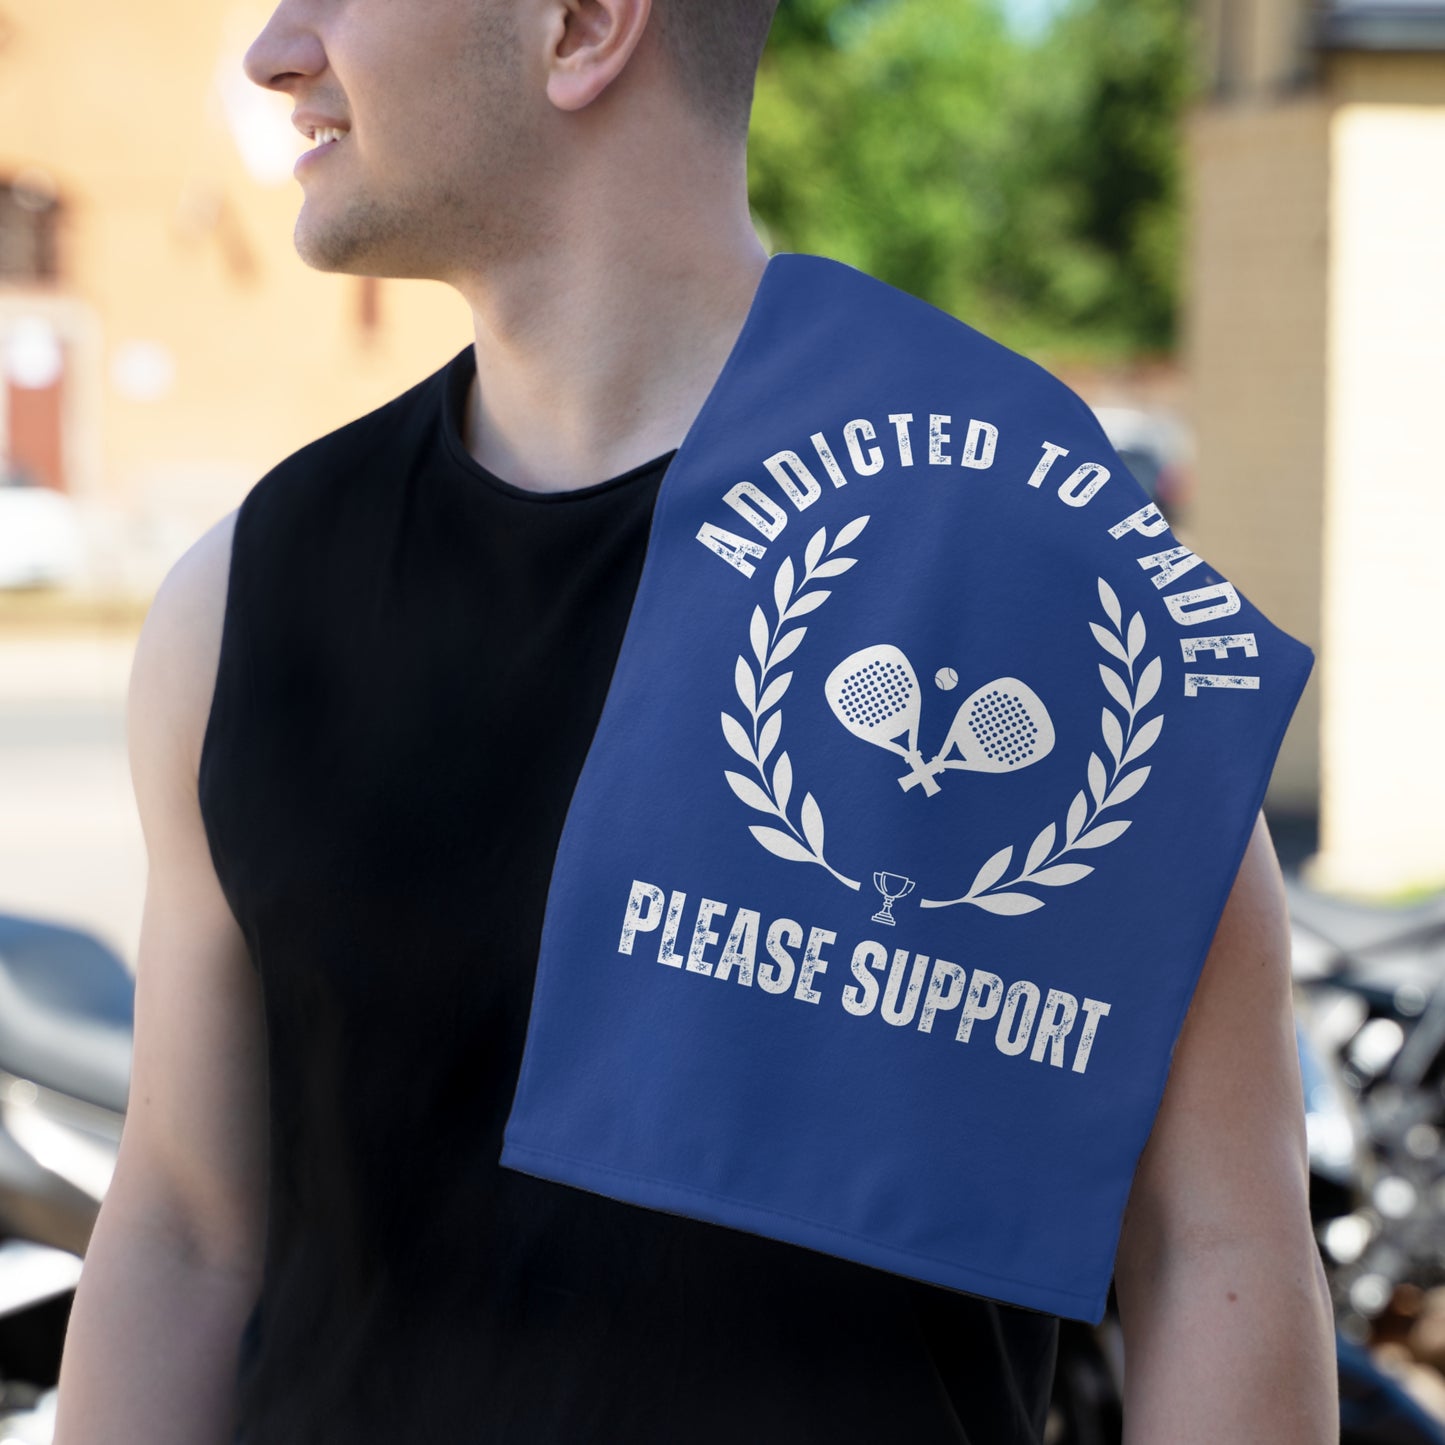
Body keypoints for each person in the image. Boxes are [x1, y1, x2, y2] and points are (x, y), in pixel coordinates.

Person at [52, 0, 1339, 1440]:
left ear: (585, 27)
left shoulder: (1021, 538)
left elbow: (1210, 1249)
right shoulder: (245, 598)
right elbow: (180, 1230)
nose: (277, 50)